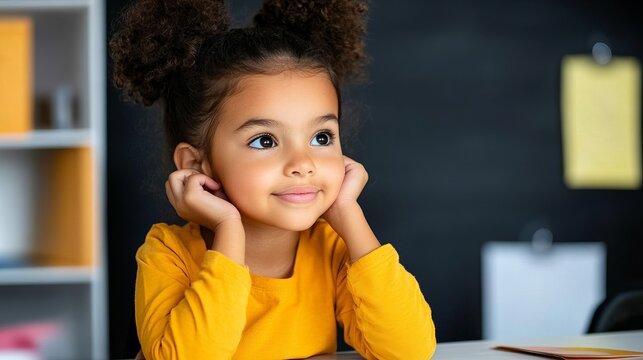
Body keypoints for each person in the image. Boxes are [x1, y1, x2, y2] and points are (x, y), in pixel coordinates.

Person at [110, 0, 436, 359]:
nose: (303, 163)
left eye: (321, 137)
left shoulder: (331, 248)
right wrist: (228, 229)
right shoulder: (168, 254)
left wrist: (349, 214)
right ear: (196, 163)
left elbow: (409, 350)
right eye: (265, 141)